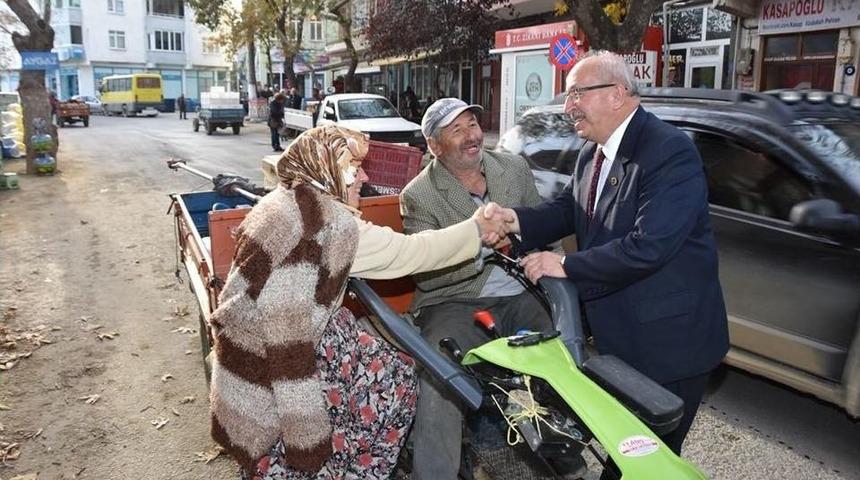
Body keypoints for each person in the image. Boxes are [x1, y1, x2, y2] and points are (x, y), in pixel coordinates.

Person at [209, 125, 508, 480]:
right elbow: (410, 253)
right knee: (393, 385)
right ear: (326, 169)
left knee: (386, 370)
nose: (364, 176)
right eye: (353, 166)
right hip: (276, 363)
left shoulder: (284, 200)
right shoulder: (329, 226)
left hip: (252, 351)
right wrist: (475, 229)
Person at [484, 51, 729, 474]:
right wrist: (515, 220)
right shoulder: (592, 153)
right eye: (567, 94)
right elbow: (568, 209)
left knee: (643, 462)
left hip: (670, 345)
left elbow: (649, 245)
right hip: (624, 339)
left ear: (617, 94)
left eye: (578, 92)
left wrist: (566, 266)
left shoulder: (670, 152)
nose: (568, 105)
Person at [399, 98, 553, 480]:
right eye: (457, 130)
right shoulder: (419, 195)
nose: (472, 136)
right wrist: (482, 246)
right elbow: (428, 275)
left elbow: (540, 227)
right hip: (455, 299)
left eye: (472, 124)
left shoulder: (513, 167)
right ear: (434, 146)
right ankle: (435, 474)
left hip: (520, 289)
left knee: (563, 348)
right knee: (440, 374)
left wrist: (547, 264)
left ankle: (562, 453)